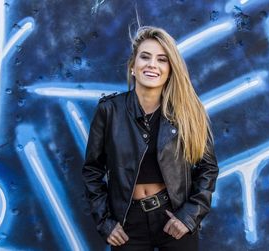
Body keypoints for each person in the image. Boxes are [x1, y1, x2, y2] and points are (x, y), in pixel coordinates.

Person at [82, 26, 219, 251]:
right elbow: (92, 170)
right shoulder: (110, 111)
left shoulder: (186, 112)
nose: (152, 64)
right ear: (133, 67)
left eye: (162, 59)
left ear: (170, 69)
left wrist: (189, 216)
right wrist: (105, 222)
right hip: (128, 224)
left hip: (173, 217)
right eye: (145, 57)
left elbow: (208, 168)